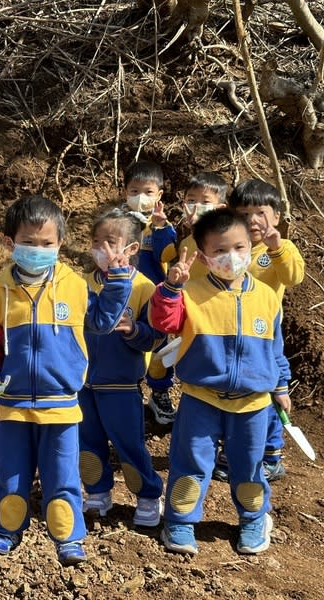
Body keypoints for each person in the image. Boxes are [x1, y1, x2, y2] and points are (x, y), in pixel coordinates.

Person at [0, 194, 132, 566]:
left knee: (62, 479)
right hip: (11, 407)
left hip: (61, 407)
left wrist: (119, 280)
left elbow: (103, 321)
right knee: (10, 478)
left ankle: (68, 539)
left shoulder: (75, 285)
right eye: (29, 242)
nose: (38, 249)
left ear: (60, 243)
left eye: (47, 243)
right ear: (10, 243)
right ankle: (4, 532)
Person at [150, 208, 291, 556]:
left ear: (250, 244)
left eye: (240, 248)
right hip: (202, 399)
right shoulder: (191, 293)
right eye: (220, 251)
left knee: (249, 466)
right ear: (203, 255)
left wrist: (281, 386)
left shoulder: (267, 297)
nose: (232, 257)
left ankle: (254, 518)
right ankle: (180, 522)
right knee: (191, 463)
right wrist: (170, 287)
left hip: (253, 405)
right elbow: (163, 322)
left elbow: (275, 348)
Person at [212, 179, 305, 483]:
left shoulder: (280, 248)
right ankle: (231, 449)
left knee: (268, 393)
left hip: (265, 334)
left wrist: (277, 248)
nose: (253, 220)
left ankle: (271, 454)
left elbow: (293, 277)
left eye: (260, 213)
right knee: (235, 389)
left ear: (276, 216)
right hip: (231, 332)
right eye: (244, 213)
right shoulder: (232, 248)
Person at [79, 208, 165, 527]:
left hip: (122, 386)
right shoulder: (82, 284)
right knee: (88, 443)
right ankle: (98, 492)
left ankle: (148, 496)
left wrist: (135, 332)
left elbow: (156, 336)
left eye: (110, 241)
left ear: (130, 249)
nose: (102, 247)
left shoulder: (145, 288)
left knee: (130, 445)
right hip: (84, 385)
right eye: (97, 240)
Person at [122, 160, 177, 425]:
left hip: (155, 297)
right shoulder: (117, 223)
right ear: (124, 193)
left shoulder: (162, 227)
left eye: (147, 192)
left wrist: (160, 228)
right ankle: (129, 391)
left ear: (159, 195)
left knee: (159, 348)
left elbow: (168, 255)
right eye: (133, 191)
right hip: (126, 295)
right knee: (127, 342)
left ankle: (159, 392)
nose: (140, 198)